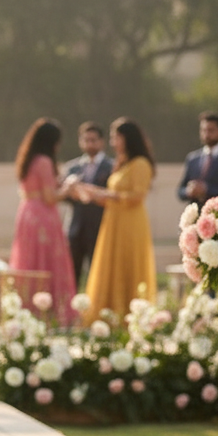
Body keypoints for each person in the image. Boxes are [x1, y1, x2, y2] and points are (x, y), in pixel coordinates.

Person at [77, 117, 157, 321]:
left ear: (127, 138)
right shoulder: (123, 164)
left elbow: (137, 196)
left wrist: (104, 195)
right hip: (114, 221)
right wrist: (93, 193)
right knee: (112, 266)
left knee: (127, 264)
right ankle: (109, 315)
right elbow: (113, 195)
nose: (113, 142)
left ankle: (129, 316)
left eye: (116, 137)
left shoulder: (140, 164)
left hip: (130, 223)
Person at [8, 119, 76, 322]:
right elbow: (50, 197)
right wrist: (68, 189)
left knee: (30, 261)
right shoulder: (44, 162)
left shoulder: (28, 160)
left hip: (27, 214)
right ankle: (49, 312)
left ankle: (27, 308)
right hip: (43, 216)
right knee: (46, 263)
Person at [60, 122, 113, 286]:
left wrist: (89, 192)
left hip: (100, 226)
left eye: (93, 140)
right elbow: (64, 196)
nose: (90, 144)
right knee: (71, 273)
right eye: (86, 140)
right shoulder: (72, 168)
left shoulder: (112, 166)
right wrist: (73, 192)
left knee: (97, 275)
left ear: (101, 142)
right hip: (75, 228)